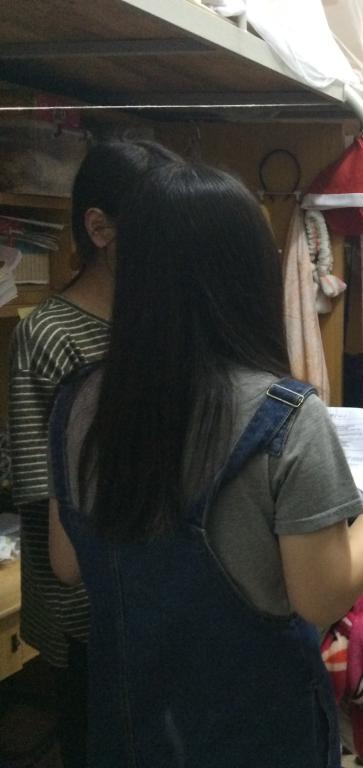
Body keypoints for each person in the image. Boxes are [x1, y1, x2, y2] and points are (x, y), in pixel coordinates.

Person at [46, 161, 363, 767]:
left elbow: (66, 564)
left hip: (129, 729)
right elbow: (321, 599)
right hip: (256, 735)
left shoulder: (79, 402)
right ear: (246, 274)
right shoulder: (286, 415)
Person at [8, 139, 178, 767]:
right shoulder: (49, 336)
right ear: (101, 229)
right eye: (159, 227)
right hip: (89, 608)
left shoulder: (154, 321)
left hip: (156, 591)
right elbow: (53, 504)